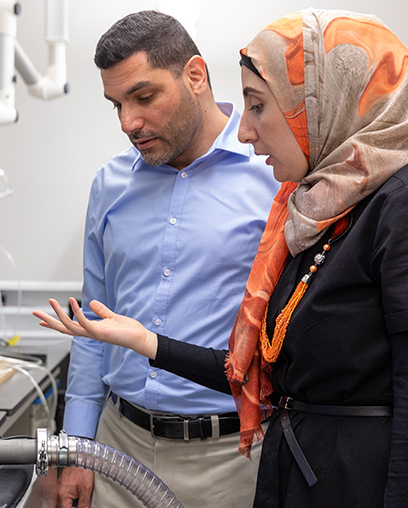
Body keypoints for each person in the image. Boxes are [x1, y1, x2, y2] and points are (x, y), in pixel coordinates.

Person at [35, 8, 408, 508]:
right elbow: (260, 365)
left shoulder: (329, 194)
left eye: (259, 105)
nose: (128, 122)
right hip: (153, 448)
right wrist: (133, 363)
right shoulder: (314, 204)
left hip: (249, 458)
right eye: (116, 105)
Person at [55, 10, 279, 508]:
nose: (128, 122)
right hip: (118, 448)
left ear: (195, 75)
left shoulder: (273, 175)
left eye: (144, 96)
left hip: (233, 459)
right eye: (116, 104)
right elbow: (92, 327)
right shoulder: (110, 185)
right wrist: (77, 448)